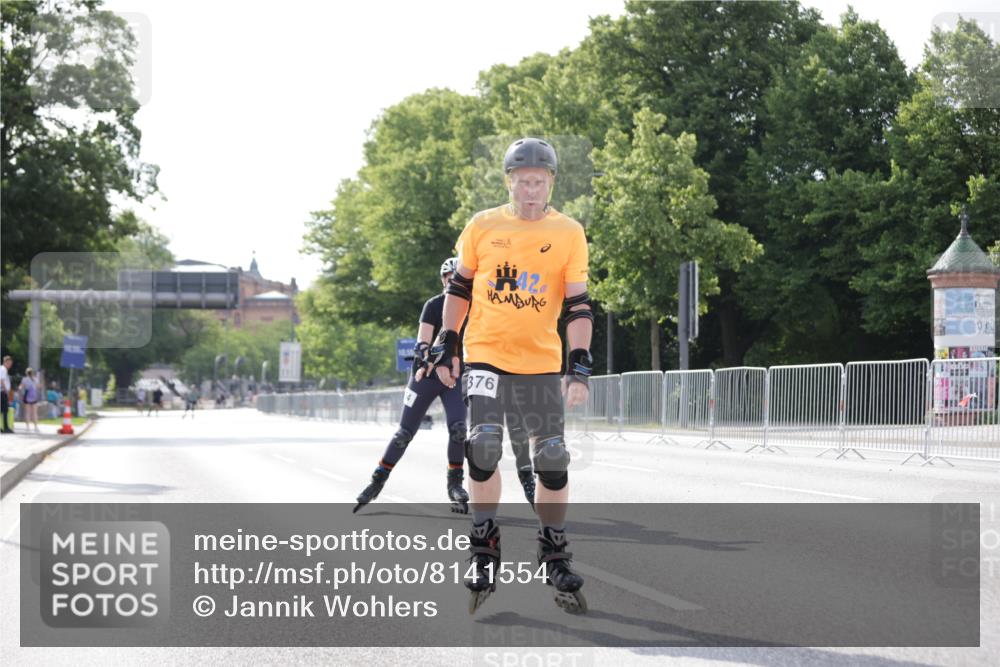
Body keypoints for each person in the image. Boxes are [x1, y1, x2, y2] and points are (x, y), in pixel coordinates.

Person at [427, 138, 593, 614]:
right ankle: (484, 546)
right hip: (486, 356)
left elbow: (579, 304)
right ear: (510, 182)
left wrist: (579, 364)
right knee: (482, 446)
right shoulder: (483, 225)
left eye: (539, 182)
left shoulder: (568, 232)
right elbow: (458, 287)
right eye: (522, 182)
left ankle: (553, 549)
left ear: (551, 182)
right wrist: (448, 340)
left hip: (541, 360)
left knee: (553, 457)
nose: (530, 190)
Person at [353, 257, 471, 514]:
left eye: (459, 279)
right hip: (427, 374)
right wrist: (428, 358)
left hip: (454, 377)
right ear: (443, 281)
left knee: (459, 429)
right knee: (405, 433)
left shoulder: (474, 307)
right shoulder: (434, 305)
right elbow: (422, 342)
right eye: (449, 279)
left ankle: (455, 484)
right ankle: (377, 480)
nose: (454, 284)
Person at [19, 368, 41, 433]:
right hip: (34, 396)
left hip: (26, 396)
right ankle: (36, 427)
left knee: (27, 412)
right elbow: (39, 387)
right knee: (34, 413)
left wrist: (21, 393)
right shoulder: (36, 379)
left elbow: (20, 387)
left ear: (26, 373)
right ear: (32, 373)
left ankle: (27, 427)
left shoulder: (24, 379)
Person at [1, 356, 13, 434]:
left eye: (11, 363)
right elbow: (1, 380)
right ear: (5, 362)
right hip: (2, 391)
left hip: (2, 391)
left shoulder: (2, 369)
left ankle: (4, 427)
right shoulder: (3, 369)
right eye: (8, 363)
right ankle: (5, 428)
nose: (10, 365)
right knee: (5, 410)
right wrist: (6, 391)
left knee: (3, 410)